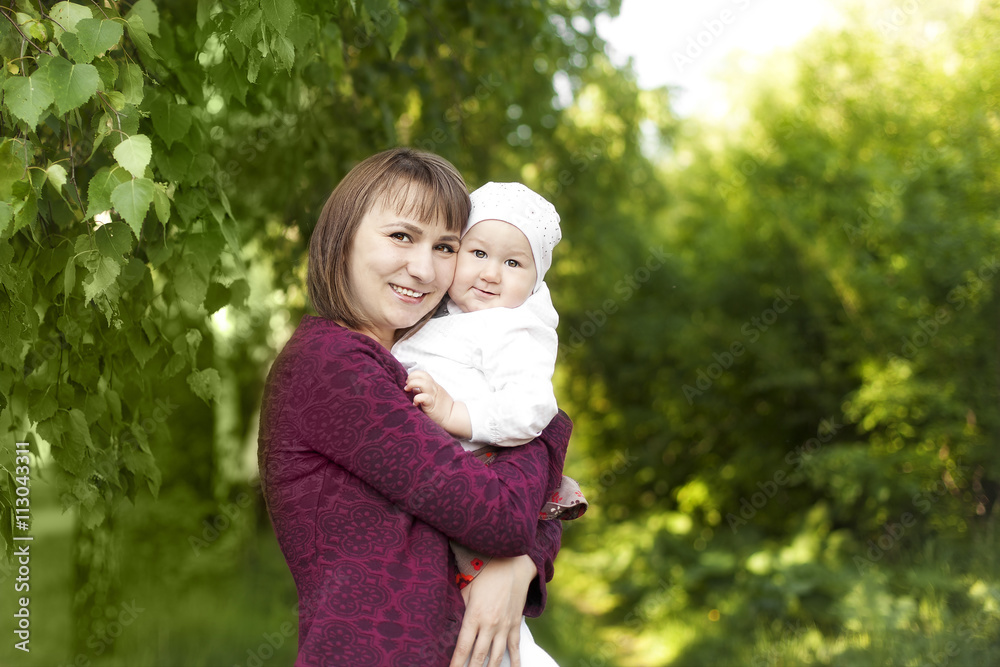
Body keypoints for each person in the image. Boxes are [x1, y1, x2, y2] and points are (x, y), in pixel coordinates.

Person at [258, 148, 572, 667]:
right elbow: (503, 514)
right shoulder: (330, 365)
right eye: (401, 236)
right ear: (344, 236)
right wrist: (543, 435)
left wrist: (518, 569)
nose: (424, 268)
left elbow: (518, 477)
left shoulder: (416, 368)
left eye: (446, 246)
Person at [392, 182, 587, 667]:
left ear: (535, 282)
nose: (491, 274)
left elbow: (533, 410)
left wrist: (458, 413)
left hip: (481, 469)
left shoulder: (513, 328)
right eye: (478, 252)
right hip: (438, 481)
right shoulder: (436, 311)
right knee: (467, 618)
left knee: (488, 631)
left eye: (514, 263)